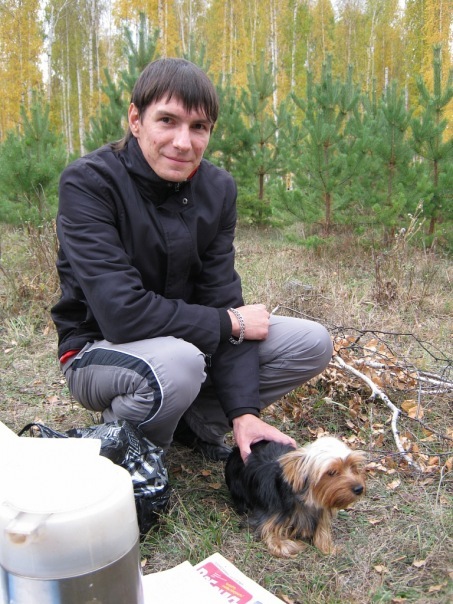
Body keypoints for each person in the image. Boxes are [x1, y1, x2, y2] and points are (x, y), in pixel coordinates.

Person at [51, 58, 333, 463]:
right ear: (136, 119)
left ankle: (191, 422)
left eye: (199, 126)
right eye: (167, 120)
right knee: (178, 363)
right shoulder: (89, 183)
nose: (183, 142)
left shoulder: (217, 189)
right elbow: (120, 314)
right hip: (97, 348)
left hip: (183, 343)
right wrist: (228, 322)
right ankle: (121, 447)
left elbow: (223, 299)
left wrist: (245, 412)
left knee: (311, 343)